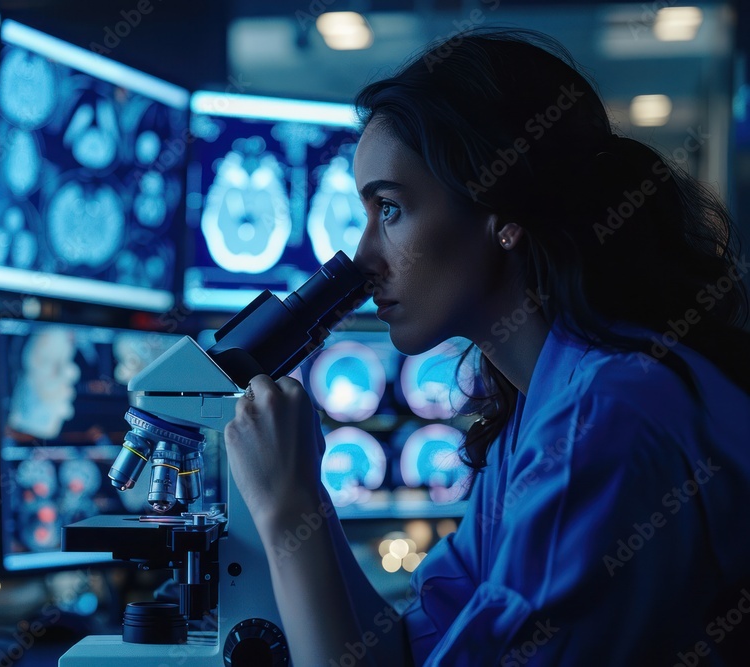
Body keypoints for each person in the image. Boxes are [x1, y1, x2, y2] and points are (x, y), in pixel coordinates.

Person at [223, 28, 750, 666]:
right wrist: (303, 495)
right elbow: (400, 652)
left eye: (389, 209)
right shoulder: (537, 416)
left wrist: (287, 511)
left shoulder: (606, 422)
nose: (362, 259)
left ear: (501, 214)